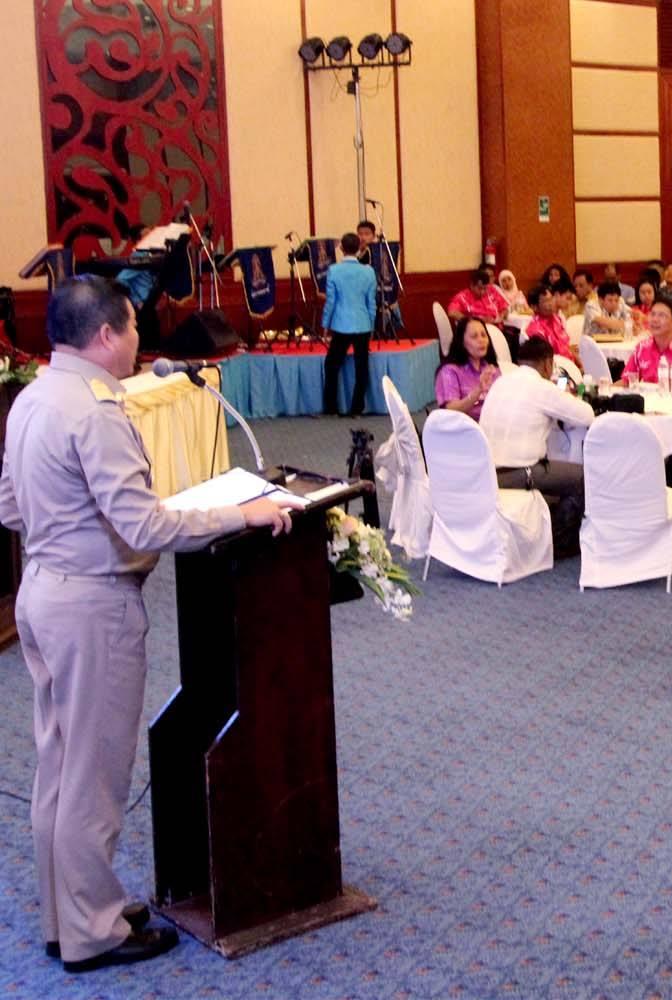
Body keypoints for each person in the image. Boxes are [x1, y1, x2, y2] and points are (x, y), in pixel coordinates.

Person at [0, 277, 294, 972]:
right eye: (133, 326)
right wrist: (241, 513)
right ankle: (93, 932)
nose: (139, 339)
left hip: (40, 592)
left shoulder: (33, 397)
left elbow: (10, 507)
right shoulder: (97, 411)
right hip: (91, 607)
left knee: (60, 766)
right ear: (106, 334)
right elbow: (143, 525)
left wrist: (68, 528)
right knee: (95, 776)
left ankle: (70, 914)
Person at [482, 337, 593, 557]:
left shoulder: (501, 382)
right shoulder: (543, 388)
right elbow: (587, 415)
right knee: (583, 477)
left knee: (553, 467)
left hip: (484, 472)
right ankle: (558, 543)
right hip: (516, 473)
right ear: (548, 364)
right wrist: (562, 395)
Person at [321, 232, 377, 417]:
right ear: (359, 247)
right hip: (362, 323)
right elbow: (371, 303)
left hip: (341, 324)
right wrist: (371, 324)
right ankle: (357, 408)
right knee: (361, 367)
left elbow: (331, 301)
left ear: (341, 248)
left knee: (332, 365)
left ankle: (331, 408)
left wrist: (325, 324)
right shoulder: (369, 271)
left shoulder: (334, 271)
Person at [622, 297, 672, 386]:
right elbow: (626, 381)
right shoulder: (642, 348)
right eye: (652, 314)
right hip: (647, 395)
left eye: (662, 315)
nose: (655, 320)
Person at [435, 316, 501, 420]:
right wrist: (478, 390)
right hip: (466, 426)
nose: (481, 340)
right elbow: (451, 410)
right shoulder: (449, 371)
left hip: (494, 422)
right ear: (461, 341)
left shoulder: (490, 367)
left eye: (484, 335)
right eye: (474, 336)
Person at [524, 284, 573, 362]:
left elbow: (566, 347)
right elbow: (544, 359)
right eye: (546, 301)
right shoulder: (535, 330)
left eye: (551, 299)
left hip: (568, 361)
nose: (550, 303)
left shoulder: (557, 319)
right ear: (534, 307)